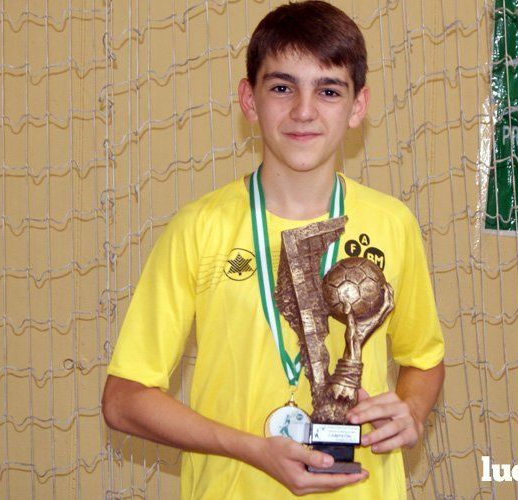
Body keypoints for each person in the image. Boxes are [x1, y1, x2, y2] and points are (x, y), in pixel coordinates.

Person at [102, 1, 445, 498]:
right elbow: (124, 399)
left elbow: (423, 359)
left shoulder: (393, 223)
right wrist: (252, 449)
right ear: (249, 99)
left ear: (358, 106)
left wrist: (411, 411)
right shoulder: (199, 228)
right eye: (282, 88)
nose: (303, 111)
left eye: (328, 90)